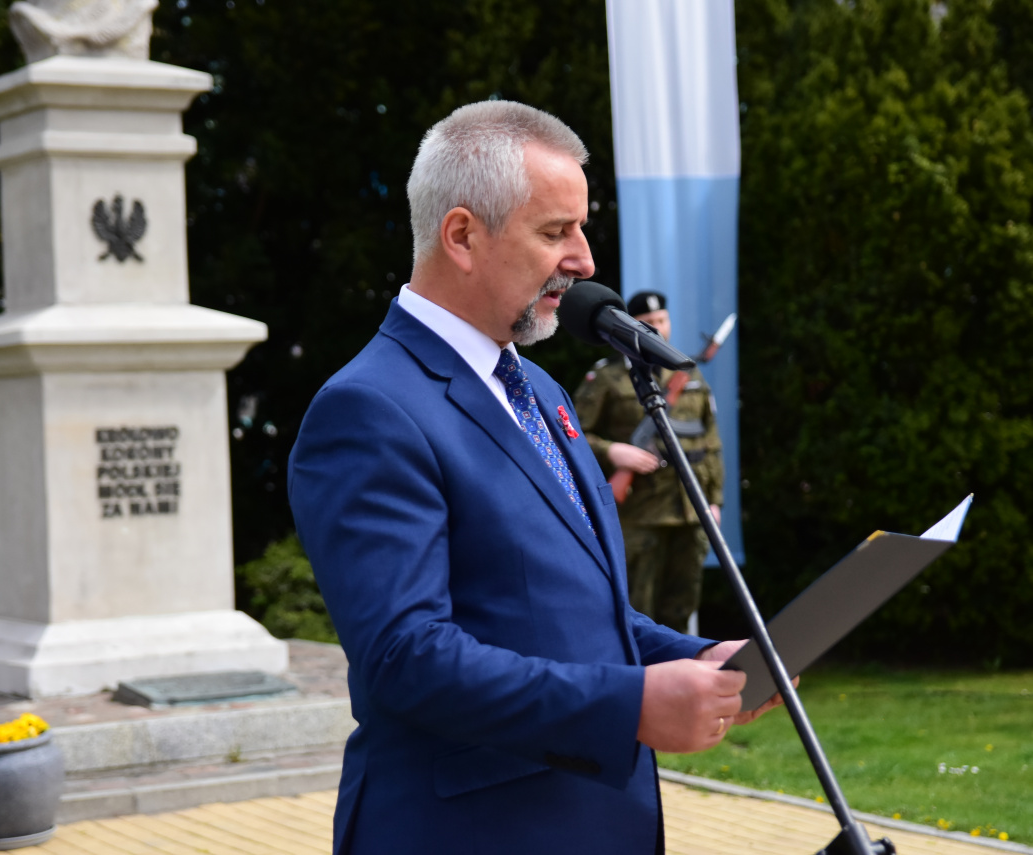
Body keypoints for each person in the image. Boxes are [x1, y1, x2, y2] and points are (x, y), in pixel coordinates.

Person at [288, 101, 780, 855]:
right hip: (470, 831)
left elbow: (574, 609)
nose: (584, 260)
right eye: (555, 232)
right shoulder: (369, 407)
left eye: (580, 229)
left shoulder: (541, 392)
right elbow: (405, 655)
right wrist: (632, 707)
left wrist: (693, 657)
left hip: (596, 818)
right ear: (461, 236)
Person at [573, 292, 724, 633]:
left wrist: (715, 498)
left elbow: (710, 442)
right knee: (638, 608)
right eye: (649, 323)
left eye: (662, 321)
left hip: (689, 507)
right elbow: (573, 435)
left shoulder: (690, 373)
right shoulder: (608, 378)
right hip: (640, 512)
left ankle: (683, 680)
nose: (658, 328)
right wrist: (614, 452)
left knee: (682, 605)